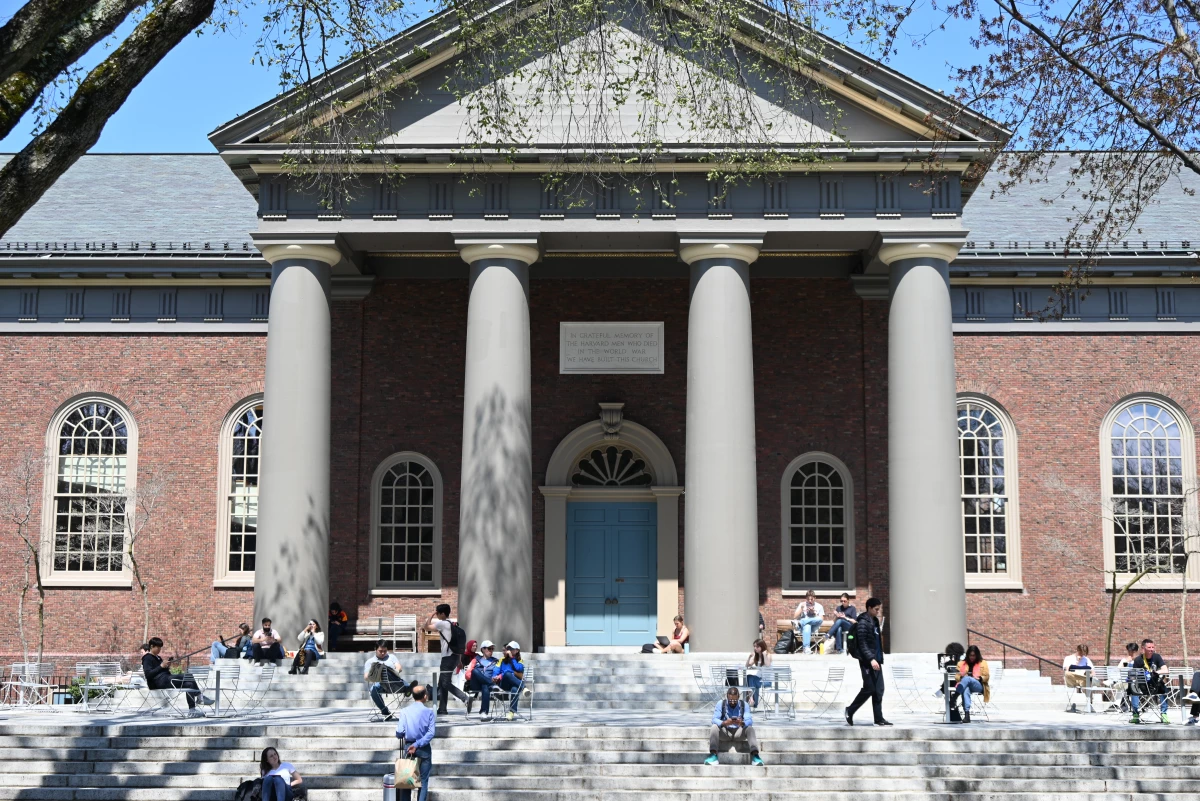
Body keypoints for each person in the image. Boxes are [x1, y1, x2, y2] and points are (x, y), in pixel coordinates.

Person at [844, 597, 890, 726]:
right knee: (869, 688)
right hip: (867, 660)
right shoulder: (862, 623)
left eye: (879, 609)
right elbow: (863, 644)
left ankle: (879, 718)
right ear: (869, 608)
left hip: (876, 659)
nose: (878, 612)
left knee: (879, 689)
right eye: (876, 609)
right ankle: (850, 710)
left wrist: (878, 658)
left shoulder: (874, 621)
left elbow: (876, 641)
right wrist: (871, 659)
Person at [142, 636, 212, 716]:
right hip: (158, 682)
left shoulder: (158, 657)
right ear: (151, 646)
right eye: (158, 647)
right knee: (188, 675)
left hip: (166, 679)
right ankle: (200, 697)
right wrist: (161, 666)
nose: (160, 650)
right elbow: (148, 675)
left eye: (160, 648)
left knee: (190, 685)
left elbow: (161, 670)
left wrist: (166, 667)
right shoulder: (147, 658)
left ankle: (192, 710)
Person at [705, 686, 765, 766]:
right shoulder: (721, 704)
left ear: (738, 697)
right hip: (725, 732)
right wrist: (725, 723)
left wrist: (742, 723)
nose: (732, 702)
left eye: (735, 700)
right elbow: (714, 719)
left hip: (738, 732)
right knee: (714, 727)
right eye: (730, 700)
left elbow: (749, 721)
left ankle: (755, 755)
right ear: (727, 696)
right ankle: (713, 755)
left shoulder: (744, 705)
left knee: (750, 729)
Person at [426, 604, 469, 715]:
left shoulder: (443, 623)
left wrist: (431, 615)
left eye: (437, 613)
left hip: (447, 658)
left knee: (445, 683)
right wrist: (459, 661)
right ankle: (442, 709)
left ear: (442, 613)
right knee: (442, 682)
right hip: (455, 657)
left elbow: (426, 627)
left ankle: (465, 698)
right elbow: (458, 644)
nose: (437, 615)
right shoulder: (454, 624)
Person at [395, 685, 436, 801]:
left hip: (409, 748)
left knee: (406, 780)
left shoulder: (405, 711)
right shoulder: (429, 712)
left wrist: (404, 737)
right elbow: (431, 733)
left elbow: (400, 731)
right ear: (425, 696)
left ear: (413, 696)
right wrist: (417, 744)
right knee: (423, 781)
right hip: (424, 748)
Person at [364, 639, 415, 720]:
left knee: (391, 673)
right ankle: (385, 711)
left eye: (385, 651)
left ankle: (408, 688)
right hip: (381, 683)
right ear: (375, 649)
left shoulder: (392, 657)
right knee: (374, 689)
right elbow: (366, 677)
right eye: (380, 651)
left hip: (394, 681)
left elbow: (399, 667)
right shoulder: (370, 662)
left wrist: (395, 671)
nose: (383, 653)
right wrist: (375, 675)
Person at [1128, 638, 1169, 724]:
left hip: (1154, 686)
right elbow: (1133, 676)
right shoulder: (1138, 660)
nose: (1151, 649)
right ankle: (1135, 714)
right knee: (1133, 687)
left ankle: (1164, 714)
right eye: (1149, 647)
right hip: (1142, 687)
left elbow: (1165, 670)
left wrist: (1155, 672)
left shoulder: (1157, 657)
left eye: (1153, 647)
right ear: (1143, 648)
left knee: (1163, 687)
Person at [952, 645, 991, 723]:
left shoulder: (983, 663)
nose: (972, 657)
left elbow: (987, 677)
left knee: (967, 679)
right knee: (966, 689)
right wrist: (961, 676)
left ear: (977, 655)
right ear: (967, 655)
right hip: (965, 685)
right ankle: (967, 715)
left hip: (979, 685)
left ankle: (955, 696)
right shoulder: (961, 663)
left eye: (974, 655)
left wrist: (980, 678)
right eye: (970, 655)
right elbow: (956, 677)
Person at [466, 640, 501, 720]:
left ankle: (484, 712)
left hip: (487, 685)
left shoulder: (495, 661)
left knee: (485, 685)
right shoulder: (476, 660)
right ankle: (492, 685)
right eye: (489, 648)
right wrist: (480, 676)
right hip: (476, 684)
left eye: (492, 649)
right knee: (475, 671)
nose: (491, 651)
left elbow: (500, 672)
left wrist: (497, 677)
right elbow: (467, 674)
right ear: (483, 649)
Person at [496, 642, 525, 720]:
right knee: (507, 674)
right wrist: (496, 676)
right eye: (508, 648)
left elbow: (518, 668)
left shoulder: (520, 661)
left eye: (511, 649)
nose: (509, 650)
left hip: (514, 684)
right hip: (504, 684)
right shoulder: (502, 660)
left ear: (517, 650)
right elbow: (498, 671)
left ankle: (511, 712)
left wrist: (512, 658)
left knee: (515, 689)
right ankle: (523, 687)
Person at [1062, 644, 1093, 712]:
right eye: (1081, 653)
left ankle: (1089, 704)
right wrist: (1077, 662)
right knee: (1067, 673)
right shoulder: (1068, 658)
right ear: (1077, 650)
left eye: (1084, 653)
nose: (1082, 655)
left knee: (1087, 682)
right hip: (1072, 679)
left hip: (1082, 680)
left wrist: (1089, 674)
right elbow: (1067, 670)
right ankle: (1085, 678)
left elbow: (1093, 671)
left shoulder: (1086, 659)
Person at [744, 639, 772, 709]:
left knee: (750, 679)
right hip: (759, 678)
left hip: (766, 680)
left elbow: (767, 664)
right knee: (748, 677)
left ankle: (751, 700)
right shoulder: (757, 656)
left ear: (762, 647)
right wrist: (749, 657)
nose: (755, 648)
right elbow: (747, 665)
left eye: (757, 647)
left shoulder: (768, 655)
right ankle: (752, 700)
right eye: (754, 646)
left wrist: (764, 655)